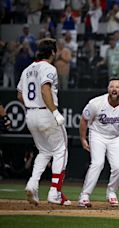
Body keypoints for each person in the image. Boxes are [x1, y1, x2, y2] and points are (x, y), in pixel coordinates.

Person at [17, 38, 71, 206]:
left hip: (30, 114)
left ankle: (32, 184)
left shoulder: (27, 70)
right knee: (61, 150)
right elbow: (45, 88)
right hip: (46, 112)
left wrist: (33, 107)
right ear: (53, 52)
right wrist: (54, 112)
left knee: (44, 151)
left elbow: (20, 95)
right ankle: (54, 192)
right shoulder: (49, 67)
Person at [78, 78, 119, 207]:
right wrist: (83, 139)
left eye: (117, 87)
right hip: (97, 135)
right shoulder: (96, 103)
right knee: (97, 164)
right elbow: (84, 119)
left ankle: (111, 192)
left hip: (115, 137)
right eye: (111, 87)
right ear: (108, 89)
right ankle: (85, 195)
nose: (114, 89)